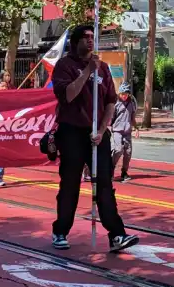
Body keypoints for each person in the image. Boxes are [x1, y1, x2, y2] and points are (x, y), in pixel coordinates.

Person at [50, 25, 138, 252]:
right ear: (76, 41)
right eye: (85, 38)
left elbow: (110, 101)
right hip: (72, 131)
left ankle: (116, 234)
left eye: (92, 37)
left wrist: (101, 130)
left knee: (105, 185)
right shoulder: (65, 66)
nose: (90, 41)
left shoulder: (104, 69)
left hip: (97, 133)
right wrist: (88, 71)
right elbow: (67, 95)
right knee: (70, 184)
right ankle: (60, 230)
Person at [110, 82, 137, 182]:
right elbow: (111, 116)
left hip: (127, 131)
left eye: (126, 94)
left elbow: (132, 117)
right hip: (117, 130)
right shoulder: (116, 103)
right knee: (118, 149)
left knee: (128, 152)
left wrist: (136, 128)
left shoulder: (131, 103)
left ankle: (124, 172)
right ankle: (111, 167)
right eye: (122, 94)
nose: (124, 96)